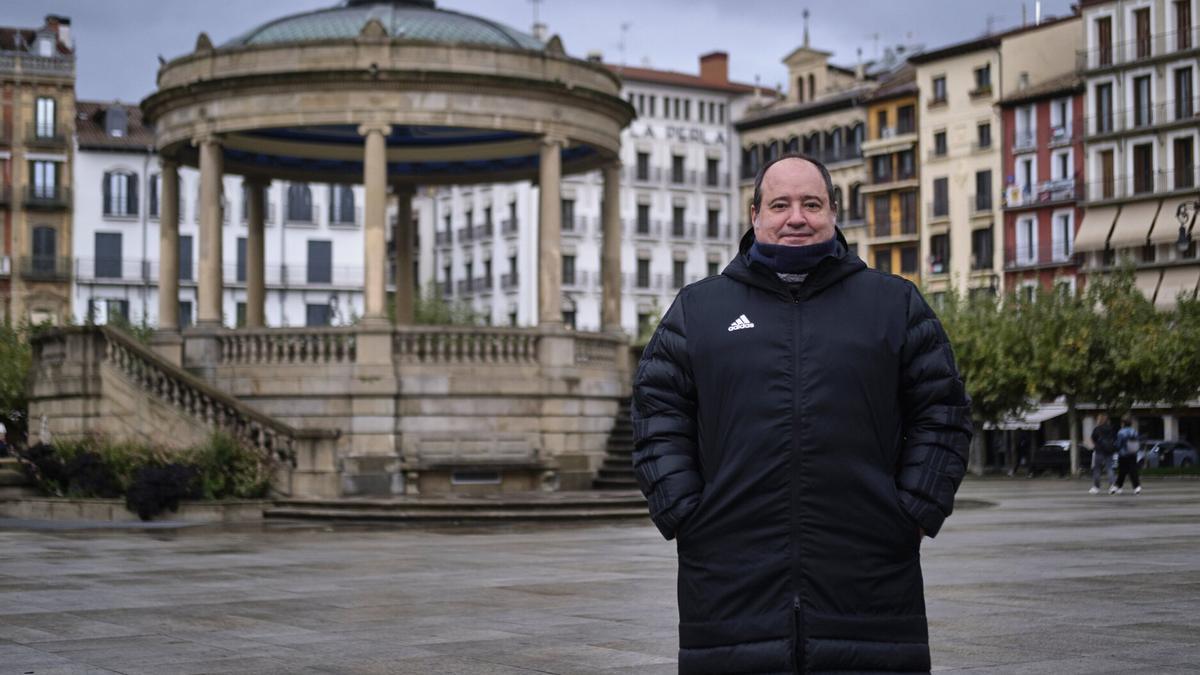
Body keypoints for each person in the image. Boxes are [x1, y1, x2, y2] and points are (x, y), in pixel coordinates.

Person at [632, 153, 973, 674]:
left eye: (811, 203)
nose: (796, 217)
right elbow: (658, 411)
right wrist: (685, 512)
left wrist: (912, 510)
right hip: (729, 581)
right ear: (755, 215)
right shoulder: (699, 310)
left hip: (869, 577)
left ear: (833, 212)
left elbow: (941, 410)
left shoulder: (894, 305)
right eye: (781, 204)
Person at [1111, 417, 1141, 495]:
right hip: (1133, 453)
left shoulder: (1121, 432)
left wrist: (1114, 447)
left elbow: (1118, 444)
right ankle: (1136, 486)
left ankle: (1118, 486)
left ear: (1123, 424)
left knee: (1122, 470)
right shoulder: (1134, 431)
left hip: (1123, 454)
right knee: (1133, 470)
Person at [1089, 414, 1116, 494]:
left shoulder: (1097, 429)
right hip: (1109, 451)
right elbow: (1114, 439)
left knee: (1097, 469)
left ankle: (1096, 487)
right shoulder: (1111, 428)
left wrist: (1097, 444)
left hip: (1099, 451)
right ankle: (1112, 486)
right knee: (1110, 468)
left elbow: (1093, 439)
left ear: (1099, 420)